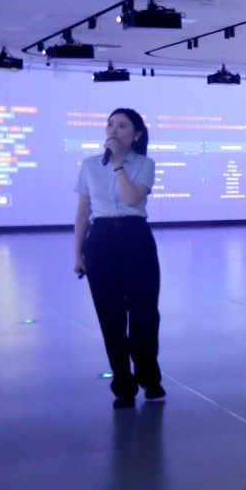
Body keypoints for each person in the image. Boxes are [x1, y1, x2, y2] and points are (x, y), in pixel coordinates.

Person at [73, 107, 163, 408]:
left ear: (136, 134)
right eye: (110, 124)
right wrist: (78, 254)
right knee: (110, 316)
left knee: (144, 314)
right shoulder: (89, 165)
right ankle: (123, 384)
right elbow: (83, 212)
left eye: (122, 125)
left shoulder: (145, 164)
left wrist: (116, 165)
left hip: (135, 237)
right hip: (100, 240)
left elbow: (131, 198)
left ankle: (149, 377)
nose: (113, 129)